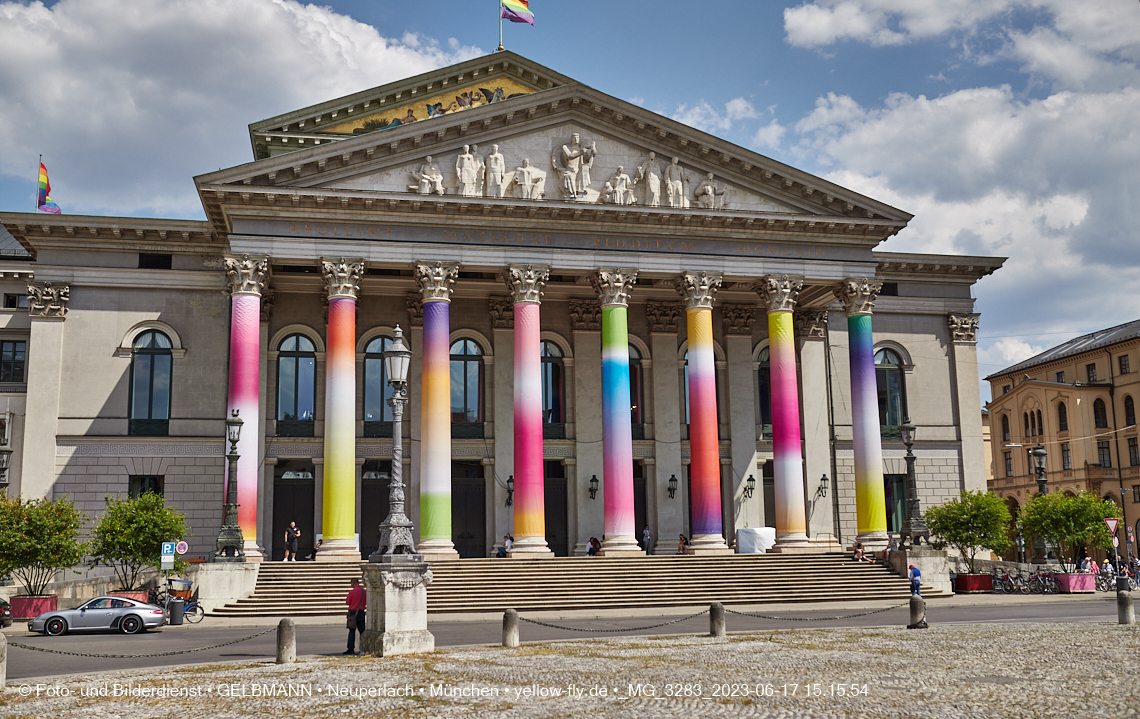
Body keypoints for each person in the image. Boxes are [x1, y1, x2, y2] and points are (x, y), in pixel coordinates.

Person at [344, 578, 366, 655]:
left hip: (353, 613)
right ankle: (364, 647)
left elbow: (347, 602)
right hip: (361, 612)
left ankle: (350, 649)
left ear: (353, 583)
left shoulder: (352, 592)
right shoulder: (364, 592)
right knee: (362, 631)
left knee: (352, 631)